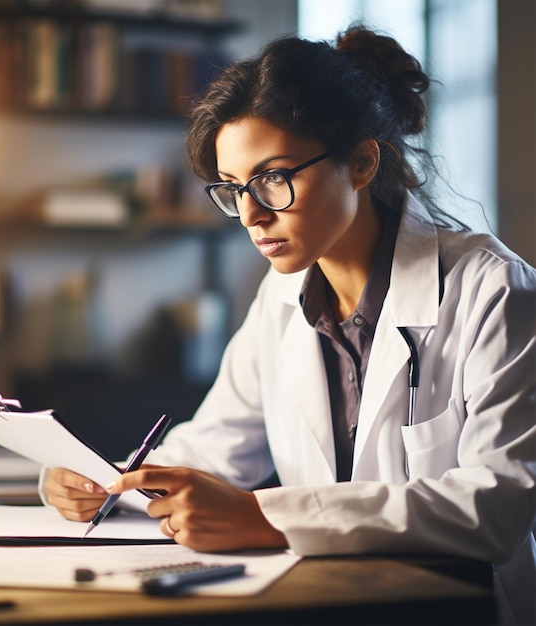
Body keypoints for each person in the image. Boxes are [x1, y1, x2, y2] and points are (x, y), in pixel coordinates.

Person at [41, 25, 535, 624]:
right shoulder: (281, 297)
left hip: (454, 608)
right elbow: (215, 448)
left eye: (273, 179)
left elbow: (495, 507)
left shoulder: (493, 288)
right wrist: (108, 482)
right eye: (232, 189)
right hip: (319, 600)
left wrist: (265, 517)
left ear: (360, 160)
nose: (250, 215)